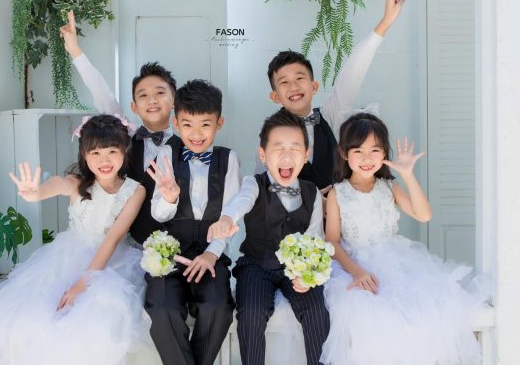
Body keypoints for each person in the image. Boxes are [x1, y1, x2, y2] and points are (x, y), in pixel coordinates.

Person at [0, 115, 149, 365]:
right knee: (34, 321)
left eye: (112, 151)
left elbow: (111, 240)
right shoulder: (77, 183)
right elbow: (56, 184)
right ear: (84, 154)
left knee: (96, 323)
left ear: (124, 150)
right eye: (95, 153)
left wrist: (82, 283)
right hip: (67, 258)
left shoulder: (135, 190)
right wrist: (36, 193)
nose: (104, 160)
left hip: (112, 264)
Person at [320, 112, 481, 365]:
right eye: (358, 151)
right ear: (344, 153)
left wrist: (407, 174)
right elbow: (332, 242)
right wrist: (358, 272)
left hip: (395, 261)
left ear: (384, 153)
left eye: (375, 150)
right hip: (354, 265)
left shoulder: (388, 187)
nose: (367, 158)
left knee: (418, 315)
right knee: (368, 318)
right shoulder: (337, 194)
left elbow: (424, 215)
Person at [257, 0, 405, 195]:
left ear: (314, 86)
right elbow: (264, 188)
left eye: (300, 78)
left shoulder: (330, 115)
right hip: (292, 216)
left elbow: (353, 72)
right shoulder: (270, 134)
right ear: (275, 96)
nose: (294, 86)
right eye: (284, 82)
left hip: (337, 213)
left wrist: (385, 22)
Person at [207, 108, 330, 365]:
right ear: (262, 154)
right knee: (251, 313)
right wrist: (227, 219)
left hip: (296, 268)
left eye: (295, 148)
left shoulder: (312, 193)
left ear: (306, 155)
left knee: (317, 312)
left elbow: (315, 238)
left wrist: (307, 274)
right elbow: (240, 202)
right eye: (278, 148)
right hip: (256, 265)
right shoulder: (254, 183)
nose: (286, 155)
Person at [61, 10, 183, 245]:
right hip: (125, 244)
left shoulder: (187, 146)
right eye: (143, 95)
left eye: (160, 93)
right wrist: (75, 50)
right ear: (134, 106)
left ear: (174, 102)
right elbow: (101, 91)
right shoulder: (124, 136)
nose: (152, 100)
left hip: (170, 246)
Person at [145, 80, 240, 365]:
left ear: (219, 123)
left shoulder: (229, 159)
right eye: (187, 125)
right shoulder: (166, 154)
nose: (196, 134)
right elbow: (158, 215)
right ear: (175, 123)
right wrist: (170, 197)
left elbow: (230, 215)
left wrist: (212, 254)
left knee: (218, 307)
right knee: (162, 309)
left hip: (211, 254)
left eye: (205, 125)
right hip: (171, 254)